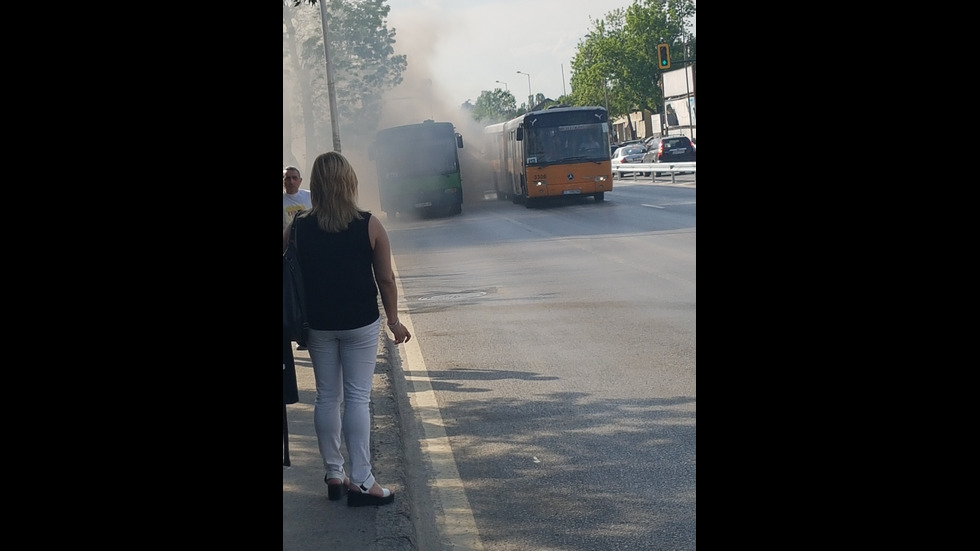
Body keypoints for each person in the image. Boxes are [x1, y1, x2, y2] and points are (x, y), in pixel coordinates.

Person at [281, 151, 411, 507]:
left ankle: (334, 474)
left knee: (326, 397)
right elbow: (385, 279)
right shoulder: (369, 224)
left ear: (316, 185)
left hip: (318, 325)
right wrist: (394, 321)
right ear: (349, 182)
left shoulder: (299, 228)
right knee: (356, 398)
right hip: (359, 322)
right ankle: (362, 480)